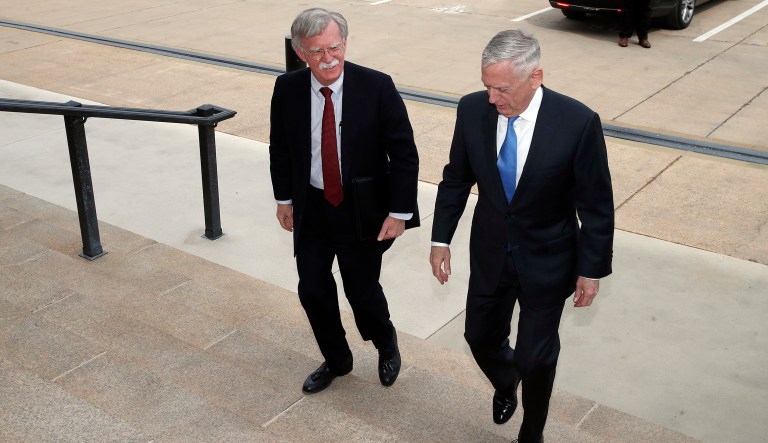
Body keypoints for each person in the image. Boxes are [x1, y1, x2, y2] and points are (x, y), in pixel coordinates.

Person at [429, 30, 614, 443]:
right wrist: (440, 239)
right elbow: (456, 179)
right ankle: (504, 376)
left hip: (548, 260)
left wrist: (592, 269)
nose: (493, 98)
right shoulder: (473, 110)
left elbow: (597, 206)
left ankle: (532, 433)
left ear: (536, 77)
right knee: (478, 337)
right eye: (487, 87)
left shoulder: (578, 122)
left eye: (502, 89)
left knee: (537, 358)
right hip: (491, 252)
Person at [269, 8, 419, 395]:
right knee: (313, 289)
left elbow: (404, 153)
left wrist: (399, 212)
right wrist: (284, 199)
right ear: (301, 53)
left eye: (334, 46)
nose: (328, 57)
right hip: (313, 207)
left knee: (362, 290)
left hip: (362, 210)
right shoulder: (287, 89)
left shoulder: (377, 86)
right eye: (317, 51)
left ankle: (386, 343)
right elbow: (281, 149)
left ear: (346, 43)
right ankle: (338, 360)